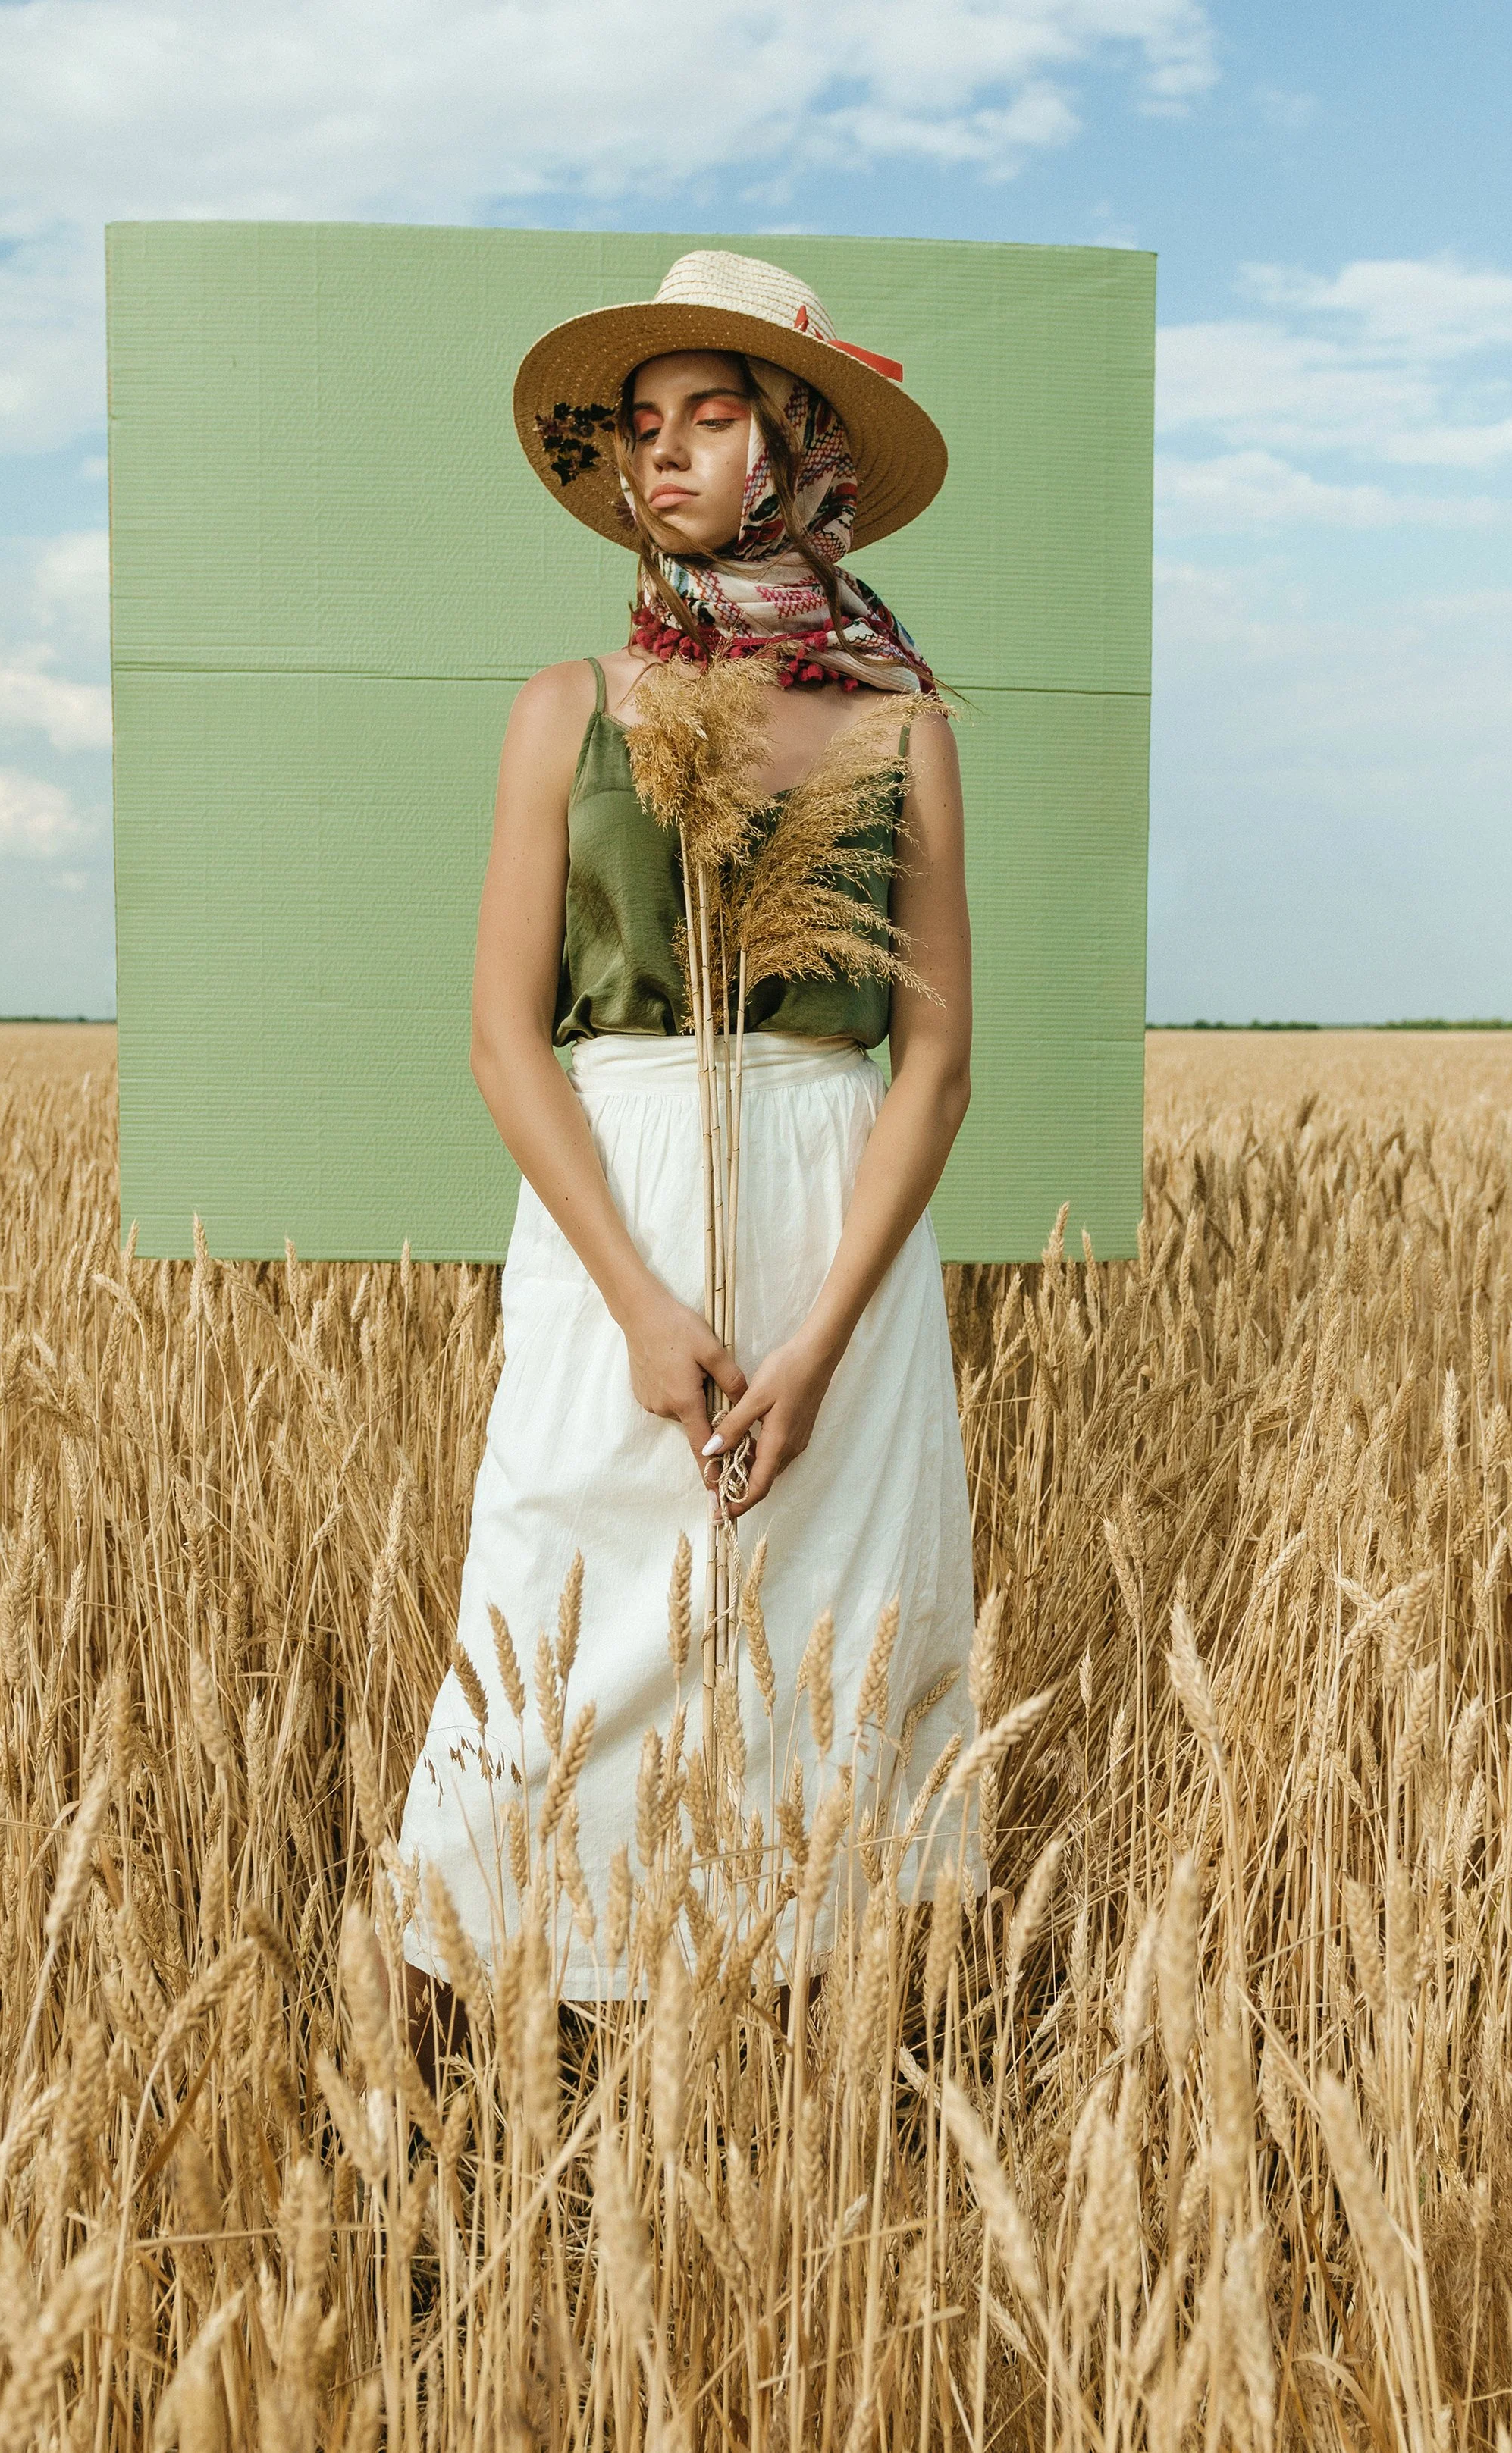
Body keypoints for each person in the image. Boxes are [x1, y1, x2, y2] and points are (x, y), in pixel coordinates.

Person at [396, 250, 979, 2015]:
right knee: (561, 1596)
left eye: (708, 418)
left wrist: (819, 1345)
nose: (659, 456)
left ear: (795, 446)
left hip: (839, 1209)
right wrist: (645, 1308)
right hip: (614, 1212)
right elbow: (508, 1039)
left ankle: (800, 2068)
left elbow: (935, 1057)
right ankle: (519, 2038)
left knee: (826, 1636)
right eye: (639, 427)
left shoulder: (903, 724)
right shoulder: (564, 708)